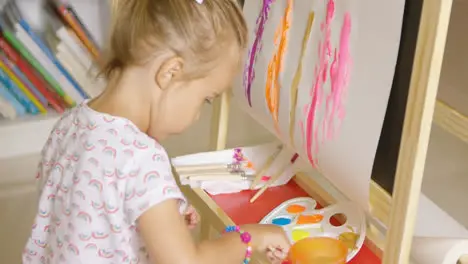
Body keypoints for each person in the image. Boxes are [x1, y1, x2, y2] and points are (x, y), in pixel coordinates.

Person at [23, 0, 291, 263]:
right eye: (206, 99)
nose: (198, 115)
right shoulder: (143, 158)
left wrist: (161, 221)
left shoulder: (69, 125)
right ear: (170, 72)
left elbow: (89, 214)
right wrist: (248, 239)